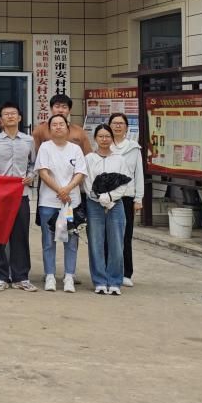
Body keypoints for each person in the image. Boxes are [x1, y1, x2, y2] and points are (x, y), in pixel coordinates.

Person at [0, 102, 37, 291]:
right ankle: (0, 276)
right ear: (1, 119)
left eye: (13, 113)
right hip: (0, 196)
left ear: (19, 118)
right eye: (6, 114)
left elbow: (33, 164)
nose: (9, 116)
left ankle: (21, 277)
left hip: (21, 194)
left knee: (20, 236)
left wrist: (31, 176)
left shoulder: (29, 140)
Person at [36, 114, 87, 293]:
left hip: (72, 202)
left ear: (67, 127)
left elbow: (80, 173)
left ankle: (69, 276)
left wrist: (68, 190)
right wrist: (60, 190)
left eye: (61, 124)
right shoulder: (45, 147)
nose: (58, 127)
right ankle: (50, 275)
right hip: (49, 202)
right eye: (54, 125)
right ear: (49, 129)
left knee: (71, 240)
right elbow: (43, 173)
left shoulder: (75, 149)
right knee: (48, 240)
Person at [86, 124, 134, 296]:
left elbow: (125, 182)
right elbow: (87, 182)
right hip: (94, 204)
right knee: (96, 243)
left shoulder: (119, 159)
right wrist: (99, 198)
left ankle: (114, 280)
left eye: (107, 136)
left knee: (117, 243)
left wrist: (111, 198)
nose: (104, 139)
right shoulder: (89, 158)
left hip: (116, 205)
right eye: (101, 136)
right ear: (95, 138)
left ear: (112, 139)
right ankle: (99, 280)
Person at [109, 112, 144, 287]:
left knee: (125, 236)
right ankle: (109, 270)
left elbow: (139, 174)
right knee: (108, 237)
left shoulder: (133, 148)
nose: (117, 126)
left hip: (127, 197)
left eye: (121, 123)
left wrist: (139, 198)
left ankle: (126, 273)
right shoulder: (105, 146)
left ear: (126, 127)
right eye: (114, 123)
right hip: (107, 198)